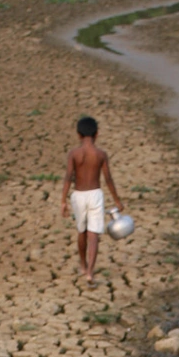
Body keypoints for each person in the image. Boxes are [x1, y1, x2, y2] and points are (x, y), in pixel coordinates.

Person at [61, 116, 123, 286]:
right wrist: (117, 201)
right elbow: (108, 179)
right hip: (95, 194)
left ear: (79, 135)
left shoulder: (74, 154)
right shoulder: (100, 154)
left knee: (81, 231)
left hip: (78, 195)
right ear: (97, 134)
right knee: (93, 234)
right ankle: (90, 272)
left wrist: (63, 201)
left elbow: (68, 177)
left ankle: (83, 264)